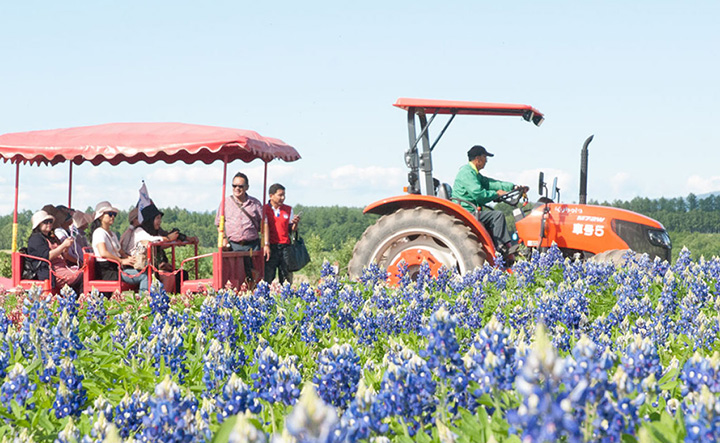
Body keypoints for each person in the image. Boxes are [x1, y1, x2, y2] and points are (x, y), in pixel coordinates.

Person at [453, 144, 521, 261]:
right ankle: (502, 248)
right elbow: (478, 194)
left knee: (493, 215)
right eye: (485, 157)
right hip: (467, 211)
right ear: (478, 159)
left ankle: (501, 248)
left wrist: (513, 187)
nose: (487, 161)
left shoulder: (474, 174)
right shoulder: (467, 173)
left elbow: (490, 183)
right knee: (497, 215)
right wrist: (496, 194)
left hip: (471, 209)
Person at [215, 172, 270, 283]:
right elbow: (218, 223)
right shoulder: (225, 202)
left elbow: (265, 223)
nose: (237, 188)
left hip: (252, 246)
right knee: (234, 276)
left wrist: (266, 244)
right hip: (234, 246)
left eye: (240, 186)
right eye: (234, 186)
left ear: (247, 187)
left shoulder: (255, 203)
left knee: (255, 276)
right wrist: (224, 238)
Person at [135, 203, 197, 293]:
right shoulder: (139, 231)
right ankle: (163, 299)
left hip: (156, 266)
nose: (159, 221)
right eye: (157, 218)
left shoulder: (157, 231)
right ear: (150, 220)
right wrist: (168, 239)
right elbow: (152, 240)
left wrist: (188, 238)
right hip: (143, 266)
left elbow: (169, 235)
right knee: (169, 276)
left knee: (182, 274)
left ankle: (179, 298)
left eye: (160, 218)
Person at [90, 201, 148, 292]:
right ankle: (143, 303)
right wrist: (121, 261)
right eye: (109, 214)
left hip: (116, 267)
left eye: (114, 214)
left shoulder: (112, 233)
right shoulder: (98, 232)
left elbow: (120, 251)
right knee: (144, 276)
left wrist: (131, 259)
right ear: (100, 216)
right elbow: (103, 253)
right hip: (107, 270)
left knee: (145, 271)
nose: (112, 217)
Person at [27, 209, 83, 293]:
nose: (49, 224)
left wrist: (66, 248)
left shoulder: (52, 237)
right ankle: (81, 300)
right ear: (38, 224)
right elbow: (47, 256)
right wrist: (63, 245)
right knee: (84, 276)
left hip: (63, 268)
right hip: (52, 271)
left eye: (50, 221)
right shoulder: (35, 239)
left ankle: (78, 299)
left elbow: (64, 255)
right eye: (45, 222)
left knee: (87, 272)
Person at [263, 183, 301, 284]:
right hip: (270, 247)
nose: (282, 198)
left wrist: (295, 224)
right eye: (280, 195)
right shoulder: (264, 209)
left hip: (285, 247)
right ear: (271, 196)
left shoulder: (288, 209)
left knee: (286, 279)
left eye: (284, 195)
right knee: (267, 277)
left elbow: (291, 230)